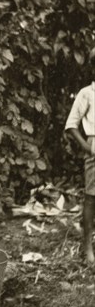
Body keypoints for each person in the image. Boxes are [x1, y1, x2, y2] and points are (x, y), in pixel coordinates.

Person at [65, 47, 95, 265]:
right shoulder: (87, 93)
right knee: (91, 197)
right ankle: (87, 248)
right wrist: (88, 147)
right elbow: (71, 125)